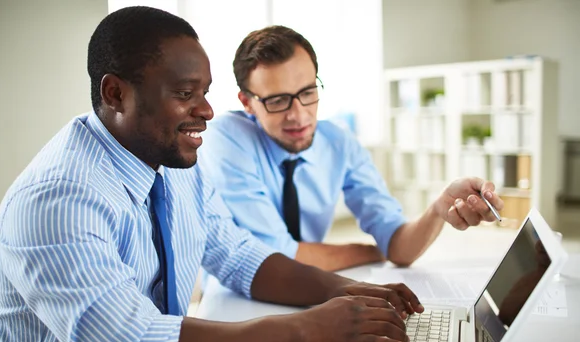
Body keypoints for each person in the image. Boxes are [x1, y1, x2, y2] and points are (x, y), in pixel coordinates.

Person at [0, 7, 424, 342]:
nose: (207, 111)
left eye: (206, 92)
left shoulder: (169, 162)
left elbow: (237, 255)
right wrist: (309, 328)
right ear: (115, 94)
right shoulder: (56, 200)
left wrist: (341, 290)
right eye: (185, 94)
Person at [199, 25, 505, 272]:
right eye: (277, 100)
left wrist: (439, 207)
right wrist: (372, 251)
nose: (299, 114)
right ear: (247, 103)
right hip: (238, 300)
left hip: (310, 288)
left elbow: (399, 246)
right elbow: (277, 256)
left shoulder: (338, 143)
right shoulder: (227, 136)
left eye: (307, 92)